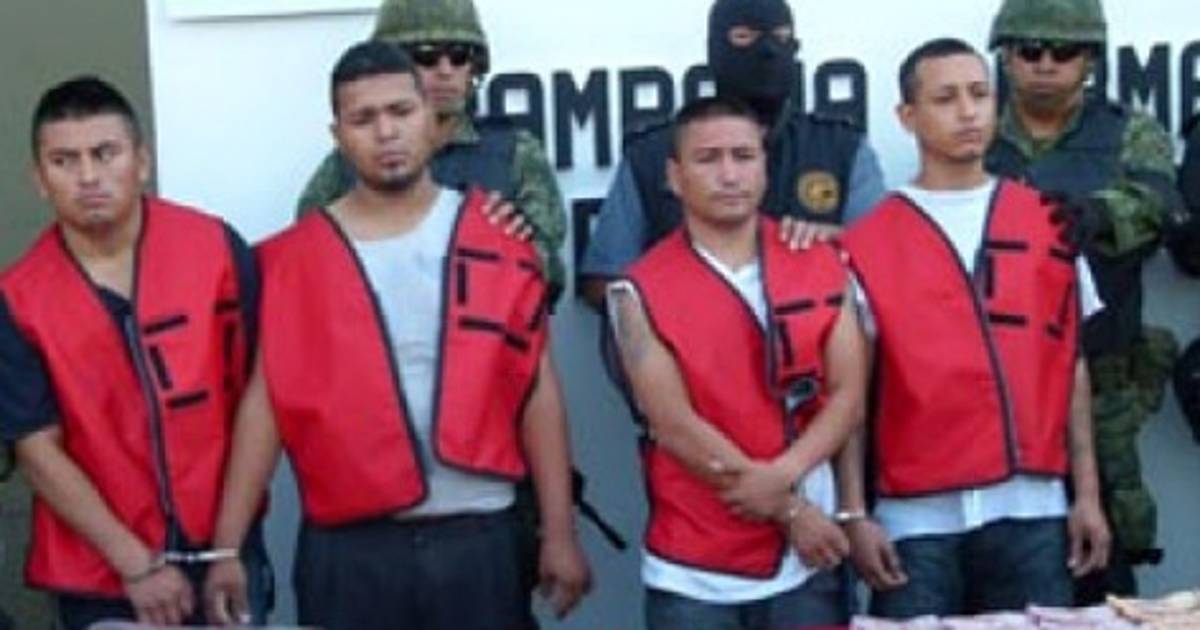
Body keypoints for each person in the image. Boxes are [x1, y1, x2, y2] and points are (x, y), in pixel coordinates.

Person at [201, 41, 590, 630]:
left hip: (479, 537)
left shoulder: (500, 242)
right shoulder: (290, 261)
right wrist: (227, 546)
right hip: (349, 549)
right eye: (363, 118)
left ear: (432, 119)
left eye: (400, 112)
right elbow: (266, 405)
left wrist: (559, 533)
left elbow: (537, 390)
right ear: (338, 135)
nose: (386, 132)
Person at [838, 38, 1110, 619]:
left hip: (1034, 511)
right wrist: (854, 513)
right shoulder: (867, 242)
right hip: (915, 520)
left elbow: (1070, 366)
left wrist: (1086, 494)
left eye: (979, 94)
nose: (967, 112)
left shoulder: (1048, 220)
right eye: (945, 98)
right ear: (907, 116)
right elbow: (849, 399)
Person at [0, 76, 269, 628]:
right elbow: (36, 449)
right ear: (40, 180)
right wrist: (135, 564)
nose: (88, 176)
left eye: (106, 153)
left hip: (225, 547)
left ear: (142, 161)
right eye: (64, 161)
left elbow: (262, 398)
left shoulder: (215, 249)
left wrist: (228, 545)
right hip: (100, 573)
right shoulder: (18, 298)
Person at [606, 96, 868, 630]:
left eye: (743, 156)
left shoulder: (821, 261)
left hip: (809, 560)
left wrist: (786, 484)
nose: (729, 175)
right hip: (694, 571)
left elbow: (848, 396)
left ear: (765, 167)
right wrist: (790, 510)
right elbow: (674, 425)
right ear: (674, 176)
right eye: (708, 159)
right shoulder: (637, 289)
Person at [983, 0, 1186, 601]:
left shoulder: (1127, 131)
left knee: (1105, 549)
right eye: (1029, 50)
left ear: (1090, 59)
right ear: (1006, 56)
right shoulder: (975, 128)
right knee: (1002, 550)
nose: (1045, 63)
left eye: (1064, 51)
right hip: (996, 378)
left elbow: (1161, 203)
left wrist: (1097, 214)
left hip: (1101, 371)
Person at [579, 0, 886, 308]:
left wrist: (834, 244)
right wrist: (688, 296)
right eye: (744, 37)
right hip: (691, 331)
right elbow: (604, 282)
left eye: (781, 38)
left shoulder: (841, 148)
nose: (767, 52)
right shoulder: (652, 154)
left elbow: (886, 267)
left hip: (816, 332)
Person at [297, 0, 568, 303]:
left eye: (459, 56)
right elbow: (310, 269)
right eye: (425, 57)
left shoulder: (515, 154)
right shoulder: (351, 164)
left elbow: (550, 279)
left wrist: (513, 244)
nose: (445, 71)